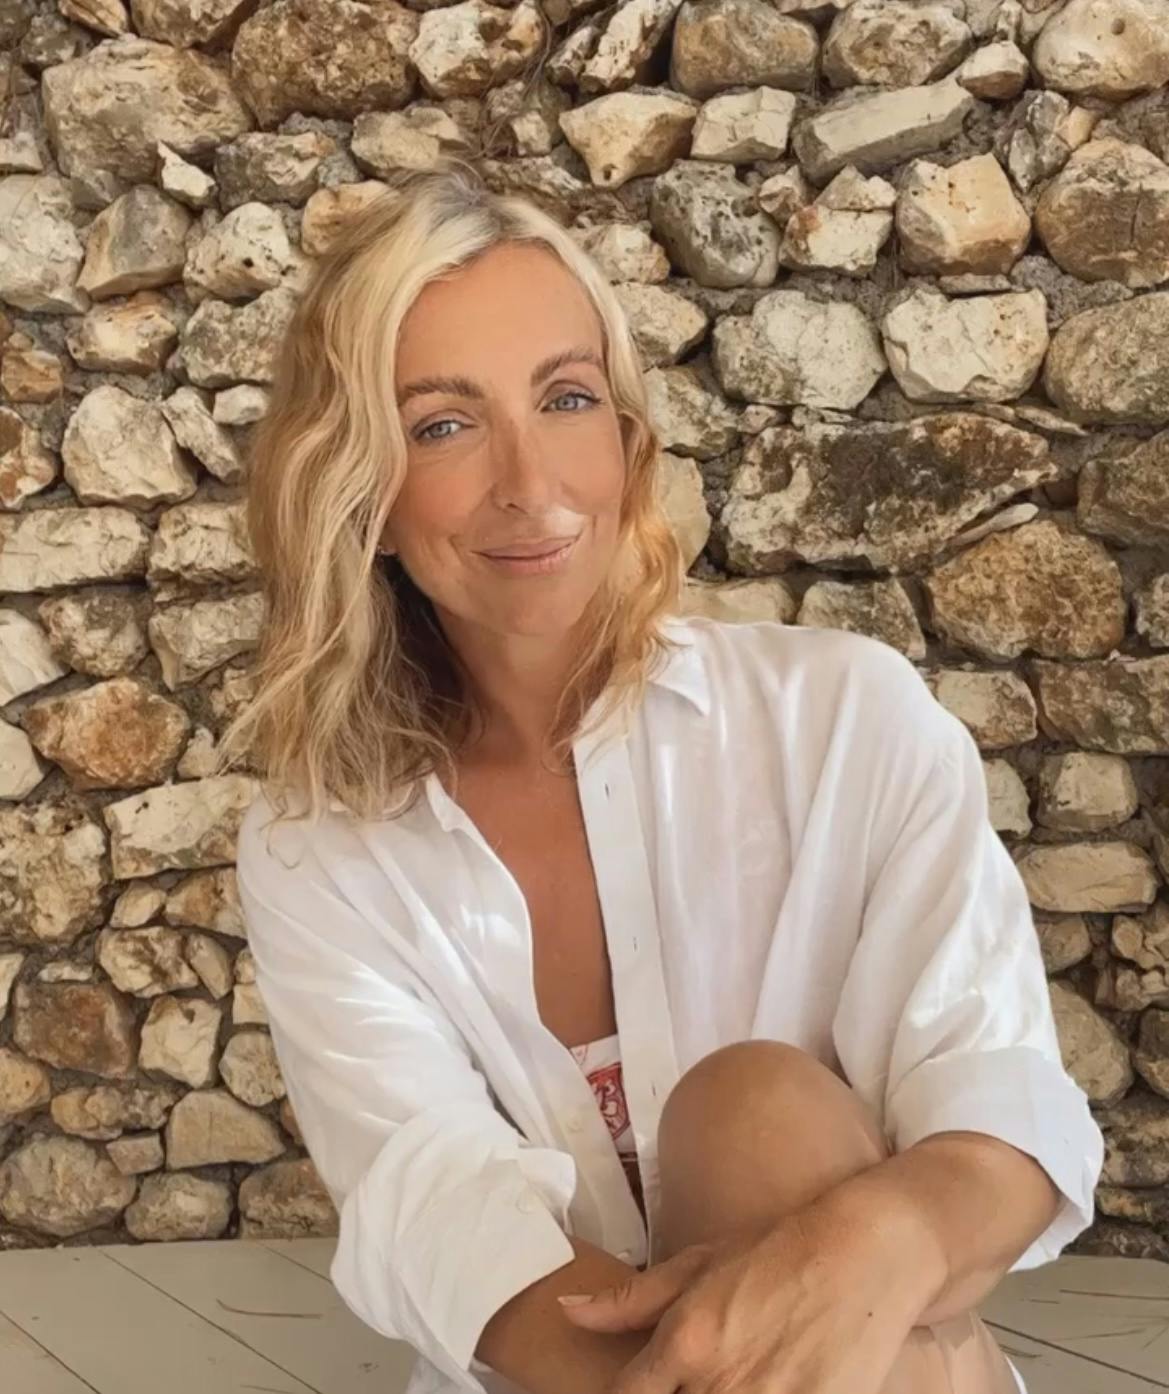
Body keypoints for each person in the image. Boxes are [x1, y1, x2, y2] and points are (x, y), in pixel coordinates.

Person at [222, 157, 1104, 1394]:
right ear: (358, 489)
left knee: (753, 1113)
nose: (531, 485)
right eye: (443, 423)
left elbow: (997, 1106)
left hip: (883, 1348)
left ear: (629, 443)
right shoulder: (321, 844)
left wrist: (866, 1241)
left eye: (566, 399)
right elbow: (436, 1206)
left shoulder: (839, 716)